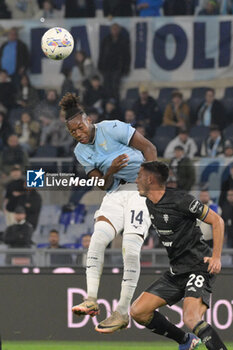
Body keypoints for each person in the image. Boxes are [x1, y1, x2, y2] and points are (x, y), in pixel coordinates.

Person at [59, 92, 157, 333]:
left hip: (138, 189)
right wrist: (111, 170)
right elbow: (102, 184)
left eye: (80, 128)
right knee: (97, 239)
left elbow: (149, 148)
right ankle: (91, 299)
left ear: (88, 120)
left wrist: (153, 186)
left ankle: (122, 312)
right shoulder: (80, 152)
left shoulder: (112, 127)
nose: (78, 134)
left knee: (131, 249)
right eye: (73, 132)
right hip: (114, 194)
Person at [131, 161, 227, 350]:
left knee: (191, 317)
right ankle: (185, 340)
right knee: (138, 311)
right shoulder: (149, 202)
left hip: (199, 266)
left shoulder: (181, 200)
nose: (136, 180)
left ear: (150, 179)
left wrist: (216, 257)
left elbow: (218, 221)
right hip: (177, 272)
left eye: (139, 176)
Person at [98, 23, 131, 101]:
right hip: (106, 67)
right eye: (113, 29)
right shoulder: (106, 40)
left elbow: (127, 55)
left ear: (119, 30)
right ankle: (106, 105)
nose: (115, 31)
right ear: (110, 30)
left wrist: (126, 67)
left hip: (117, 67)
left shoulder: (123, 40)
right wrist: (100, 65)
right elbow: (102, 53)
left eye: (116, 29)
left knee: (115, 87)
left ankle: (116, 105)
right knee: (106, 87)